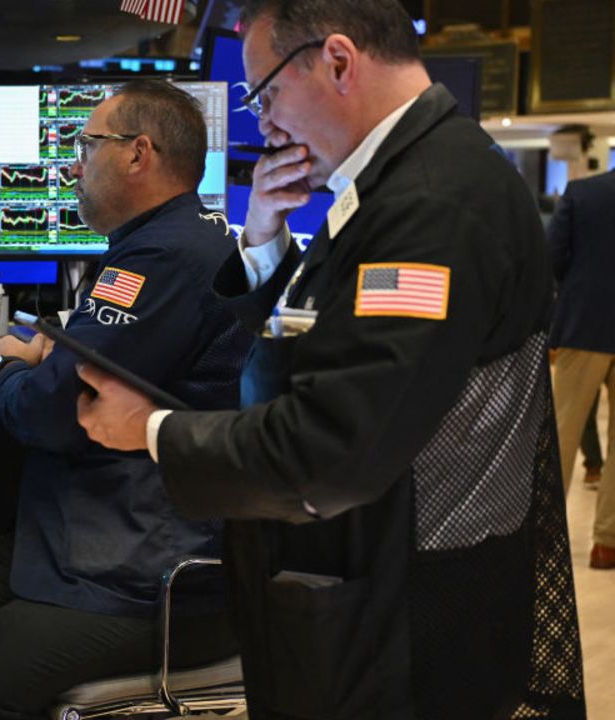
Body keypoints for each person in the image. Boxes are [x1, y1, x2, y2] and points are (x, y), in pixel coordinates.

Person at [74, 1, 585, 718]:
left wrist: (151, 428)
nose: (265, 122)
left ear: (339, 60)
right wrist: (265, 239)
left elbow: (330, 447)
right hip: (361, 594)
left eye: (267, 94)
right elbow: (331, 343)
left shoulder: (432, 204)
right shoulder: (395, 183)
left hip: (400, 625)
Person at [0, 80, 249, 720]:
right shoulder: (184, 240)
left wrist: (2, 364)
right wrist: (62, 351)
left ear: (137, 154)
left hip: (145, 570)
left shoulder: (163, 258)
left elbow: (51, 412)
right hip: (84, 535)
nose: (73, 162)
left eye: (86, 142)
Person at [547, 166, 615, 567]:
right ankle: (607, 543)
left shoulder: (583, 192)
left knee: (561, 433)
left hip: (583, 325)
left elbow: (551, 257)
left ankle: (543, 538)